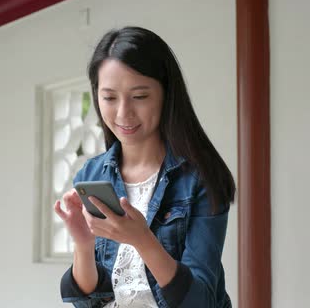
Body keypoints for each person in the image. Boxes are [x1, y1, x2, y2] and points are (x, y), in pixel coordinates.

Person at [54, 26, 236, 308]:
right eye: (110, 97)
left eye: (139, 96)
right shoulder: (91, 175)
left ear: (166, 93)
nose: (123, 113)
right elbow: (90, 301)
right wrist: (84, 244)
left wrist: (142, 240)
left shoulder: (199, 178)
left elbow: (200, 301)